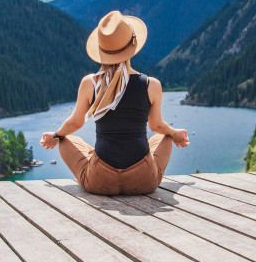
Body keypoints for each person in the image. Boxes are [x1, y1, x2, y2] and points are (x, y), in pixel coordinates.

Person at [40, 10, 189, 195]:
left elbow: (75, 123)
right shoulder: (152, 85)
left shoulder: (90, 83)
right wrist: (175, 134)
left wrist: (54, 136)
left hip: (100, 181)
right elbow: (157, 125)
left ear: (101, 50)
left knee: (66, 139)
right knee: (165, 136)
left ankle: (95, 158)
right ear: (133, 46)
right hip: (143, 181)